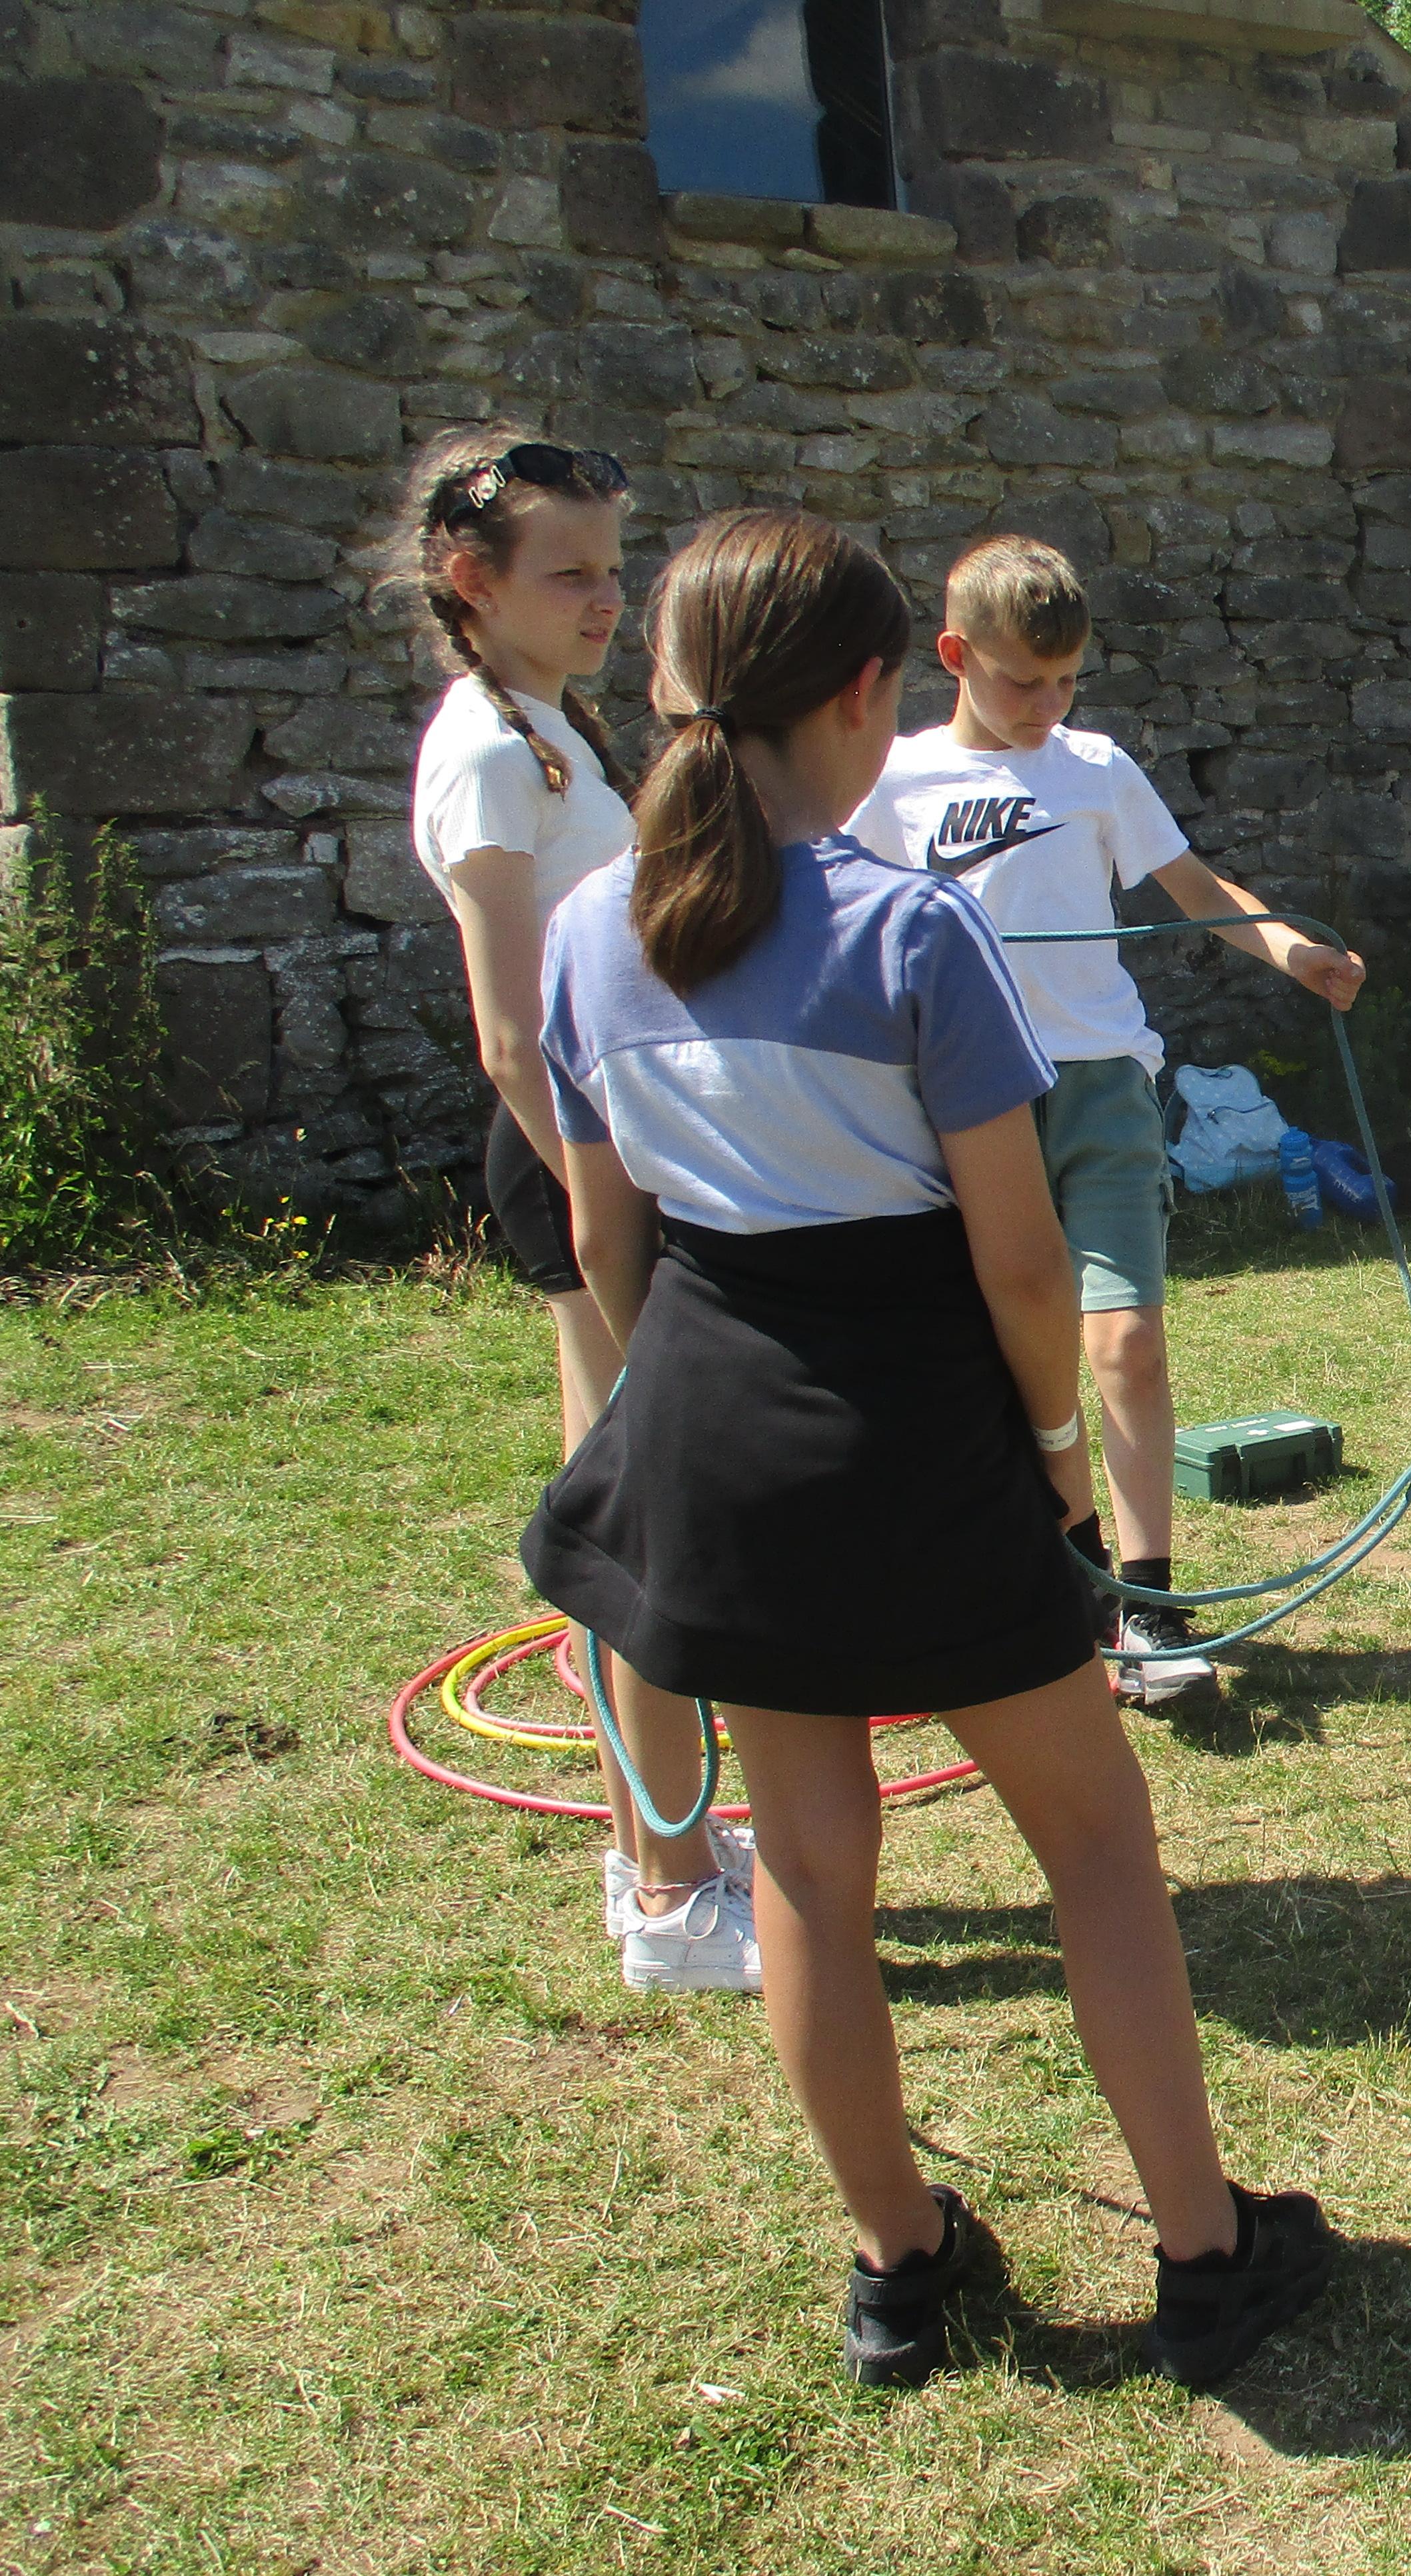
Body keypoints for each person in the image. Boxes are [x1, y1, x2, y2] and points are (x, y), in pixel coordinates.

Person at [521, 508, 1336, 2391]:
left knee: (811, 1870)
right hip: (922, 1433)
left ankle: (901, 2268)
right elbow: (1023, 1262)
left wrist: (701, 1410)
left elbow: (602, 1244)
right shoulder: (911, 930)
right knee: (1097, 1842)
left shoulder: (586, 932)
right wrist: (1055, 1451)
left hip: (718, 1435)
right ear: (871, 694)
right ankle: (1205, 2255)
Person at [846, 536, 1365, 1705]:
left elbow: (1197, 891)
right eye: (1022, 680)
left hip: (1102, 1087)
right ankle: (1065, 1585)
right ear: (954, 657)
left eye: (1068, 679)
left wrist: (1292, 950)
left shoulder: (1095, 769)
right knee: (1011, 1363)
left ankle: (1149, 1600)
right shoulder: (891, 781)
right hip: (966, 1104)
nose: (1048, 704)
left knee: (1124, 1341)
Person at [401, 422, 757, 1995]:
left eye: (615, 569)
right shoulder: (491, 752)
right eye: (570, 574)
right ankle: (667, 1893)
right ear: (472, 582)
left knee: (649, 1514)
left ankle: (671, 1843)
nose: (608, 598)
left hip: (620, 1155)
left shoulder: (547, 729)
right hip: (576, 1164)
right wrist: (614, 1212)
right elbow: (507, 1030)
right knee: (638, 1531)